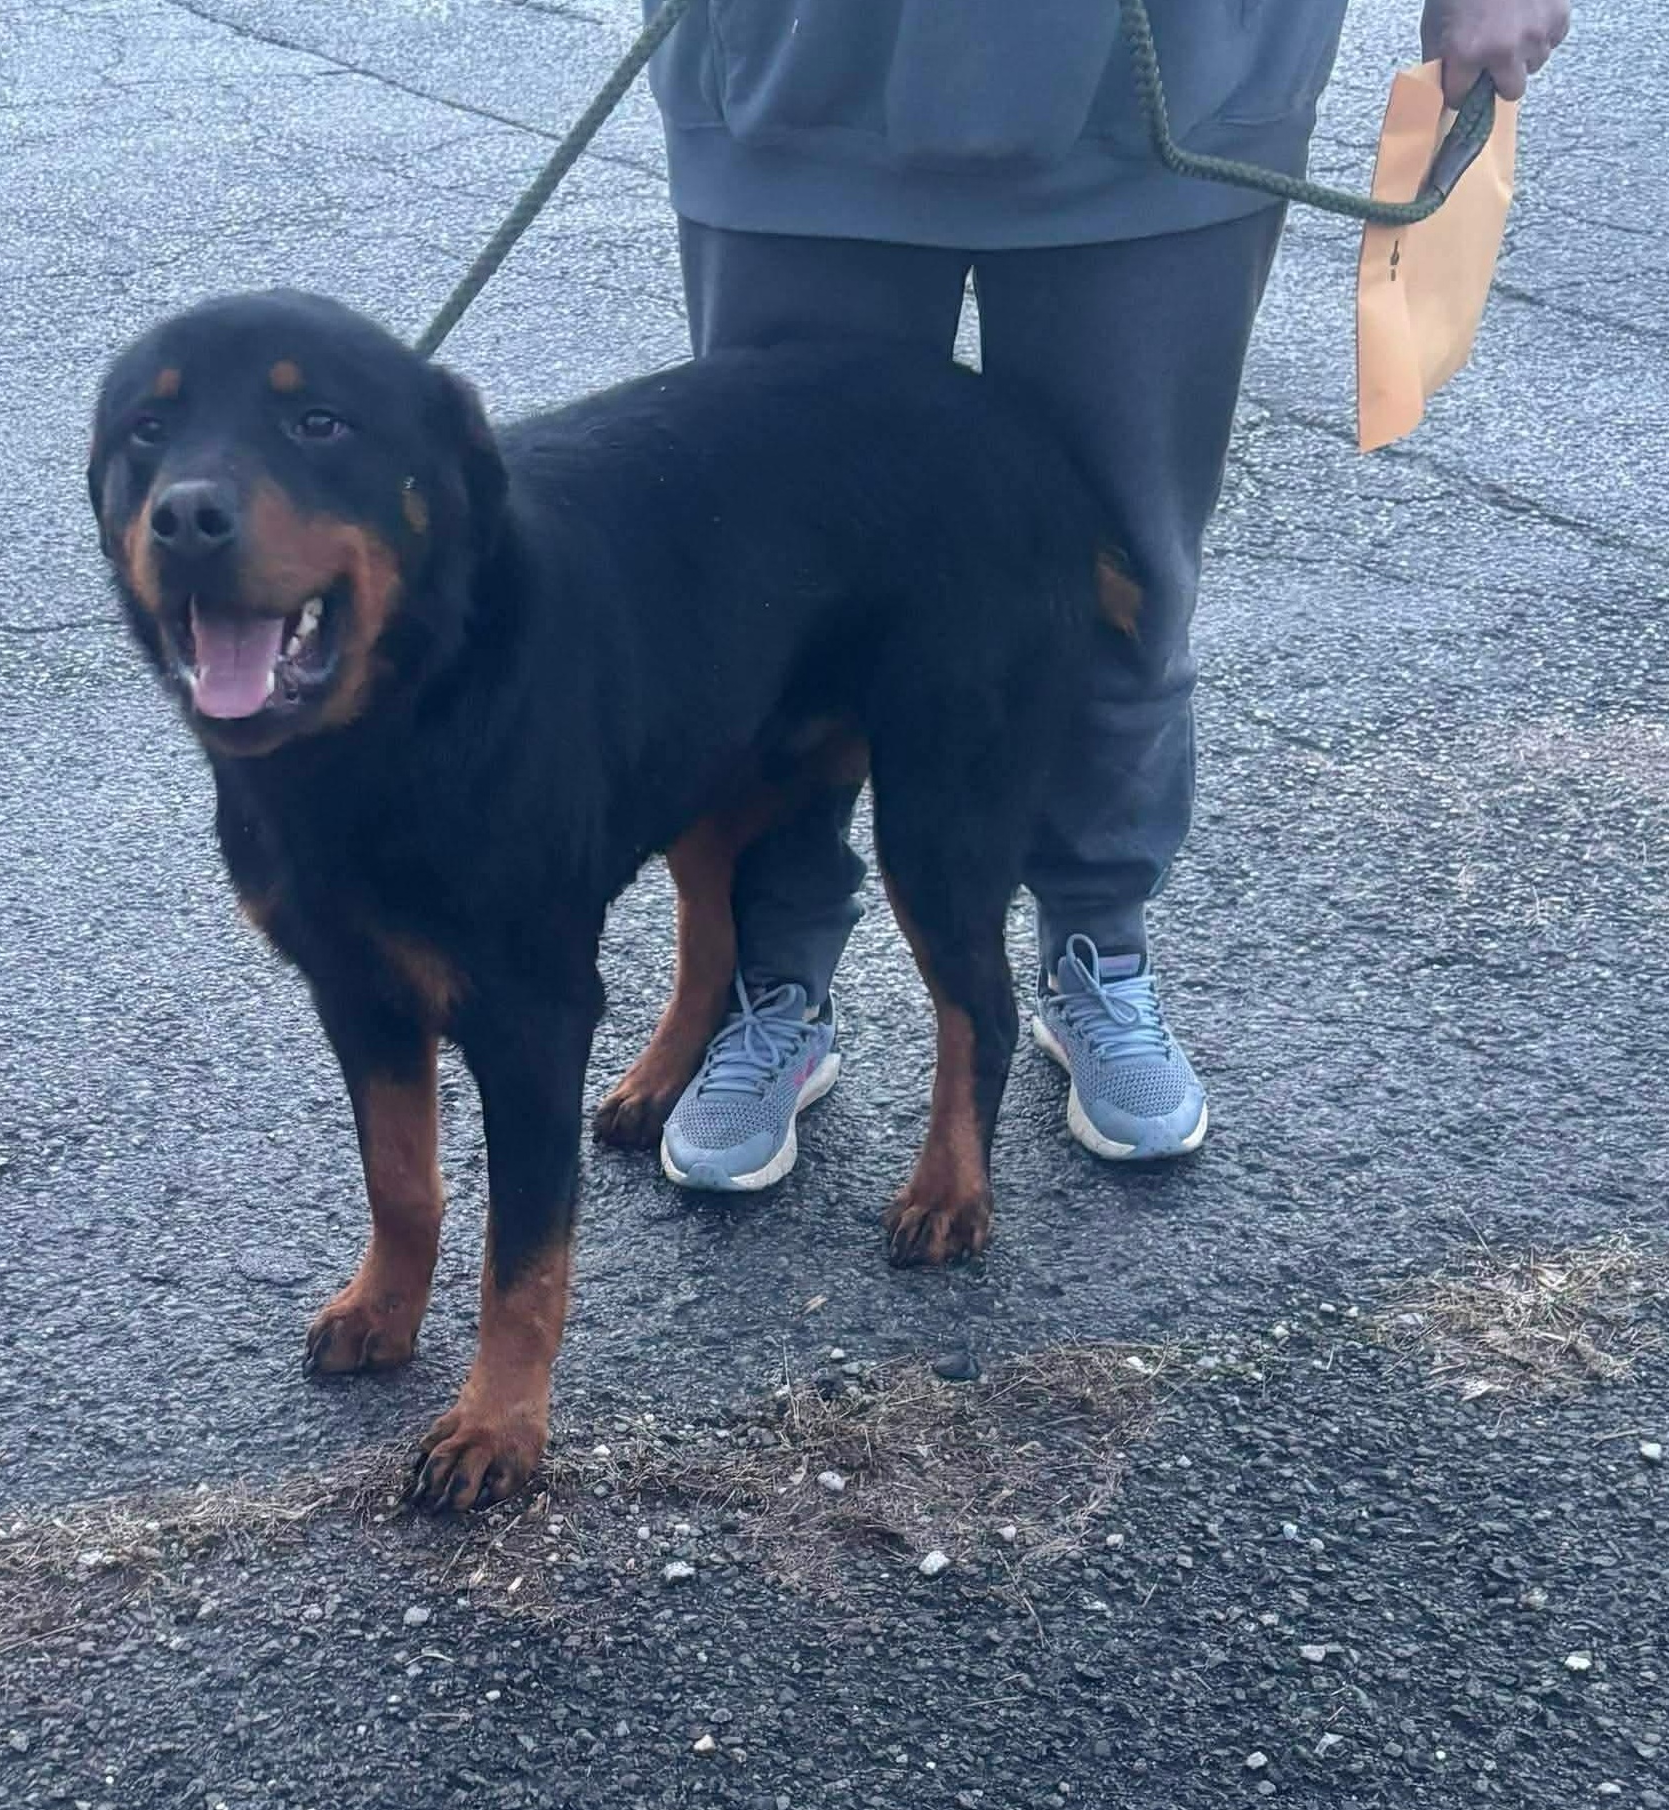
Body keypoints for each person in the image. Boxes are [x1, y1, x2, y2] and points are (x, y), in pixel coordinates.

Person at [642, 0, 1570, 1189]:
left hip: (1168, 91)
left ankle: (1097, 944)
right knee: (783, 587)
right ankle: (771, 973)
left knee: (1122, 569)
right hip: (796, 72)